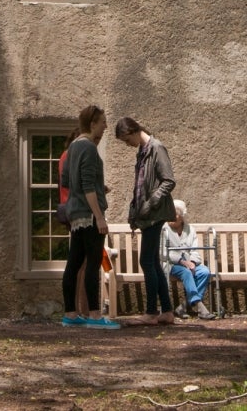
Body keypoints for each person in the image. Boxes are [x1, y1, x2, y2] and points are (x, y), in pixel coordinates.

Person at [61, 106, 119, 329]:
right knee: (93, 263)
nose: (105, 126)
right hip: (88, 215)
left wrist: (98, 186)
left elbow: (67, 181)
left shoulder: (73, 147)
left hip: (74, 214)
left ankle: (70, 313)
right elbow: (86, 186)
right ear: (92, 123)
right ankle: (95, 315)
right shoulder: (88, 148)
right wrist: (100, 218)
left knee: (73, 263)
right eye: (103, 122)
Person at [117, 117, 179, 325]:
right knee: (152, 262)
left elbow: (169, 180)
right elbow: (139, 185)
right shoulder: (143, 151)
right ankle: (167, 311)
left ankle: (151, 312)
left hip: (155, 214)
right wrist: (135, 211)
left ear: (133, 131)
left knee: (146, 261)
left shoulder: (157, 148)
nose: (127, 144)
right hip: (147, 215)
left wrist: (151, 203)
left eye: (126, 139)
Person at [162, 200, 215, 319]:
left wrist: (193, 262)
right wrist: (182, 262)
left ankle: (183, 307)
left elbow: (195, 250)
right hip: (170, 265)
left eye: (174, 214)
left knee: (204, 272)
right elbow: (163, 253)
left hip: (188, 264)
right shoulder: (163, 229)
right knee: (185, 272)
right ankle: (200, 307)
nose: (170, 216)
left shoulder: (190, 229)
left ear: (182, 217)